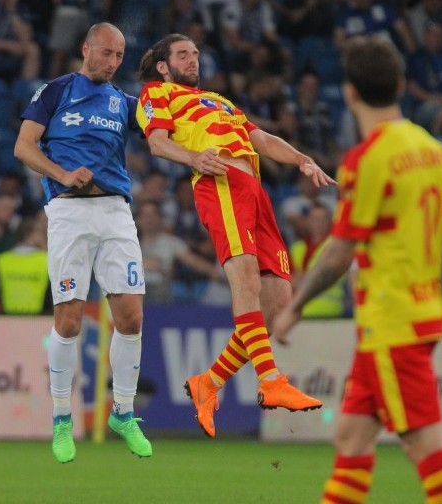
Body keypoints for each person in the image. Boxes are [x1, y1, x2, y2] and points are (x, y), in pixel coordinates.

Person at [274, 36, 442, 503]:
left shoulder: (366, 159)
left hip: (390, 323)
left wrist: (295, 305)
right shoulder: (435, 150)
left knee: (424, 444)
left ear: (350, 93)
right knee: (352, 436)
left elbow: (340, 250)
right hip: (420, 315)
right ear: (400, 85)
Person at [136, 33, 332, 438]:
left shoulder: (221, 101)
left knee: (278, 302)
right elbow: (156, 143)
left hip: (255, 191)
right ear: (162, 65)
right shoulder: (157, 92)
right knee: (245, 282)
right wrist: (194, 158)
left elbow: (260, 139)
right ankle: (271, 381)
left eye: (195, 54)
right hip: (219, 183)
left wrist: (301, 158)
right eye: (182, 54)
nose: (193, 60)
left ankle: (208, 383)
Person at [14, 22, 152, 463]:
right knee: (70, 321)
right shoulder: (54, 91)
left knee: (130, 317)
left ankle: (123, 413)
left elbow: (161, 132)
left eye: (119, 56)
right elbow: (24, 147)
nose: (113, 63)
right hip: (69, 211)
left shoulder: (123, 102)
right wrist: (62, 175)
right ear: (86, 48)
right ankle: (60, 418)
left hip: (115, 211)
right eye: (107, 53)